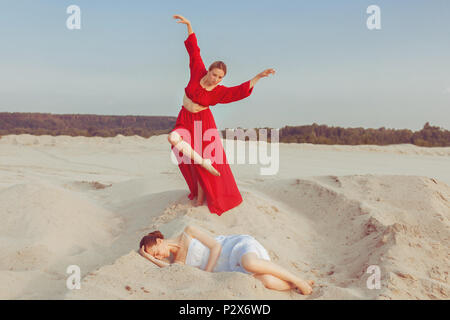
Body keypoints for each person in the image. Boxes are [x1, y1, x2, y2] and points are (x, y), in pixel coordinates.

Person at [168, 14, 276, 215]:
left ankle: (201, 199)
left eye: (220, 77)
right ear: (208, 71)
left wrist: (259, 76)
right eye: (214, 74)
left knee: (198, 157)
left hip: (202, 123)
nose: (216, 79)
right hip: (185, 118)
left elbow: (238, 91)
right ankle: (204, 163)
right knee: (173, 138)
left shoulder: (220, 91)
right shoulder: (197, 71)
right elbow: (194, 51)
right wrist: (190, 26)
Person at [138, 225, 314, 295]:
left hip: (233, 247)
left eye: (156, 252)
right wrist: (147, 256)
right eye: (155, 256)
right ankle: (296, 284)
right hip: (228, 268)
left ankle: (298, 279)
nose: (158, 256)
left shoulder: (188, 231)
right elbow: (166, 268)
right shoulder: (177, 262)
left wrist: (207, 272)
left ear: (160, 241)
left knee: (250, 263)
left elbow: (215, 246)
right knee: (265, 280)